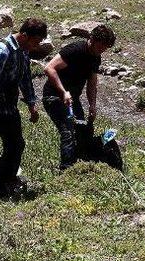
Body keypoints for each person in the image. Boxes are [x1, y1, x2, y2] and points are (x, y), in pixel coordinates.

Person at [0, 18, 47, 198]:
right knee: (13, 145)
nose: (36, 46)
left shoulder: (22, 51)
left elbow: (25, 78)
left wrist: (32, 104)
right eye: (35, 42)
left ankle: (7, 179)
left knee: (17, 144)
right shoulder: (1, 52)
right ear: (24, 36)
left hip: (9, 105)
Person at [42, 24, 116, 170]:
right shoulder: (75, 50)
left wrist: (92, 105)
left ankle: (83, 163)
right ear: (92, 39)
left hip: (72, 99)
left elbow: (92, 82)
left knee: (84, 131)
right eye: (101, 46)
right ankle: (67, 170)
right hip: (54, 97)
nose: (102, 50)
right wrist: (63, 91)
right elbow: (49, 68)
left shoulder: (95, 57)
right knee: (68, 131)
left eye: (105, 48)